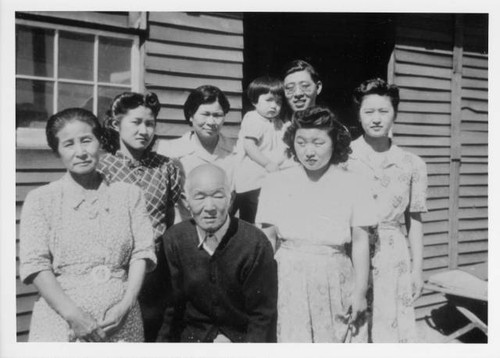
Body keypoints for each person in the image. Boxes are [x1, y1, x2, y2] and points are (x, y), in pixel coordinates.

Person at [20, 108, 156, 342]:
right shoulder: (41, 199)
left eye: (86, 140)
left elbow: (142, 253)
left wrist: (126, 305)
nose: (80, 152)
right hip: (61, 324)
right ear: (57, 151)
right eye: (68, 144)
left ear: (100, 142)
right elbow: (35, 265)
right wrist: (74, 317)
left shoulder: (129, 195)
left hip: (121, 322)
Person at [255, 105, 377, 342]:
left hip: (335, 277)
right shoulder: (276, 182)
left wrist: (360, 292)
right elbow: (267, 240)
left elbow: (361, 242)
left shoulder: (356, 183)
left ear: (334, 142)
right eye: (301, 142)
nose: (309, 151)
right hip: (287, 279)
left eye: (318, 143)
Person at [157, 164, 278, 343]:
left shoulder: (255, 243)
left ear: (231, 198)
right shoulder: (174, 240)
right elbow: (169, 311)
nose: (210, 207)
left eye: (218, 196)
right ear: (185, 201)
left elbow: (262, 316)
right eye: (200, 197)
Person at [98, 92, 182, 342]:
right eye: (136, 122)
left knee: (152, 332)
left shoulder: (167, 167)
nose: (144, 130)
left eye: (150, 123)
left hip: (155, 271)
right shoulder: (101, 168)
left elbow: (167, 214)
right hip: (115, 269)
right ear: (116, 124)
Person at [348, 78, 428, 343]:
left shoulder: (412, 164)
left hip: (393, 254)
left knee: (388, 330)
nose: (376, 119)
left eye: (384, 111)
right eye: (368, 112)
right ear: (358, 114)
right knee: (353, 327)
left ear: (395, 113)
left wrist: (417, 269)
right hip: (350, 249)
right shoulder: (343, 157)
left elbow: (414, 220)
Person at [232, 76, 293, 223]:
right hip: (252, 179)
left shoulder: (278, 123)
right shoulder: (253, 118)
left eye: (278, 102)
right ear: (254, 101)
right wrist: (267, 164)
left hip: (268, 179)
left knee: (266, 216)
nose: (274, 106)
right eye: (269, 100)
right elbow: (249, 145)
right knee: (250, 217)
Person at [155, 85, 237, 190]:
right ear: (190, 115)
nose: (211, 122)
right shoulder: (169, 151)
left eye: (217, 115)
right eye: (205, 114)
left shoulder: (236, 151)